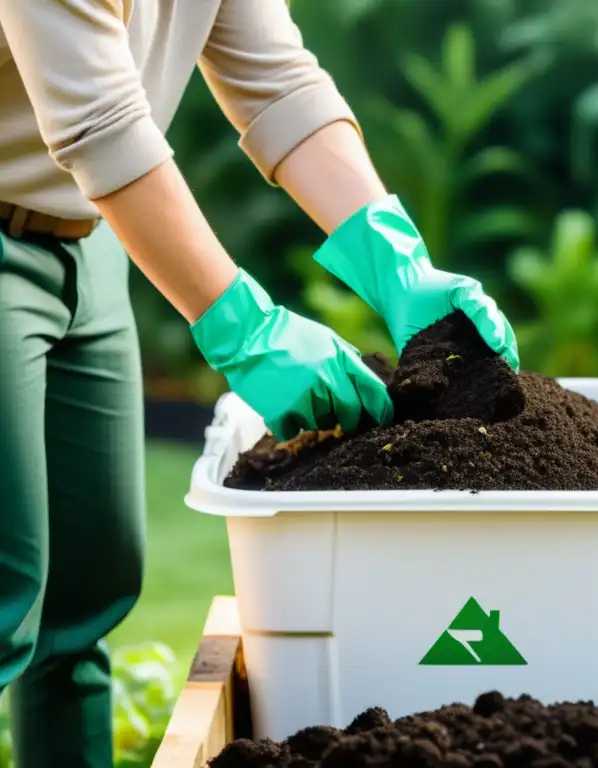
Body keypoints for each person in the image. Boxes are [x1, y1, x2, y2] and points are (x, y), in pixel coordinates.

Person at [0, 1, 519, 765]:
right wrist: (246, 326)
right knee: (8, 590)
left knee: (86, 597)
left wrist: (396, 260)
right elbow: (101, 125)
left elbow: (278, 83)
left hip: (89, 237)